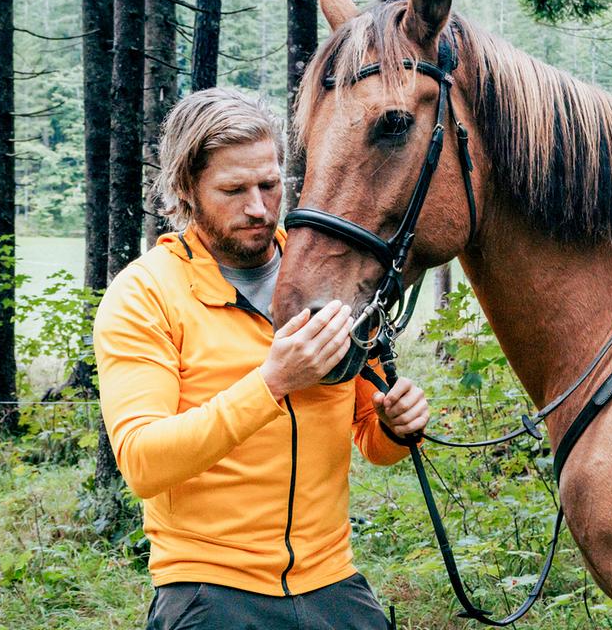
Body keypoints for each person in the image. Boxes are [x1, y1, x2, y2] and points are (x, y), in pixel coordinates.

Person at [93, 88, 431, 629]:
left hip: (331, 580)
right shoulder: (146, 295)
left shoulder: (325, 278)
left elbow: (370, 434)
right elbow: (142, 461)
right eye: (233, 190)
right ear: (186, 189)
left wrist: (396, 424)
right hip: (210, 587)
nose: (257, 207)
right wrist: (270, 382)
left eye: (270, 185)